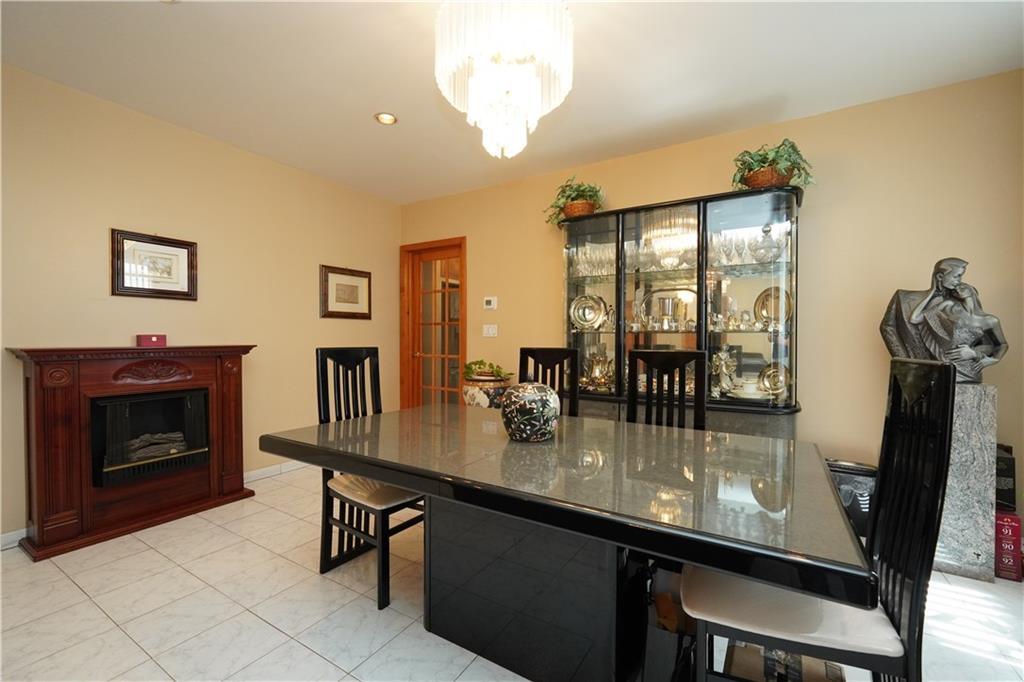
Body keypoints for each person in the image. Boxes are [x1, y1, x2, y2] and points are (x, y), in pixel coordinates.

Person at [879, 257, 1007, 382]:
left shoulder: (971, 307)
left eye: (961, 277)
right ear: (940, 277)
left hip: (962, 372)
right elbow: (889, 328)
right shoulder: (905, 298)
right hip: (924, 374)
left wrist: (976, 354)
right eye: (957, 276)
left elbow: (987, 343)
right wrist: (907, 365)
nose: (960, 282)